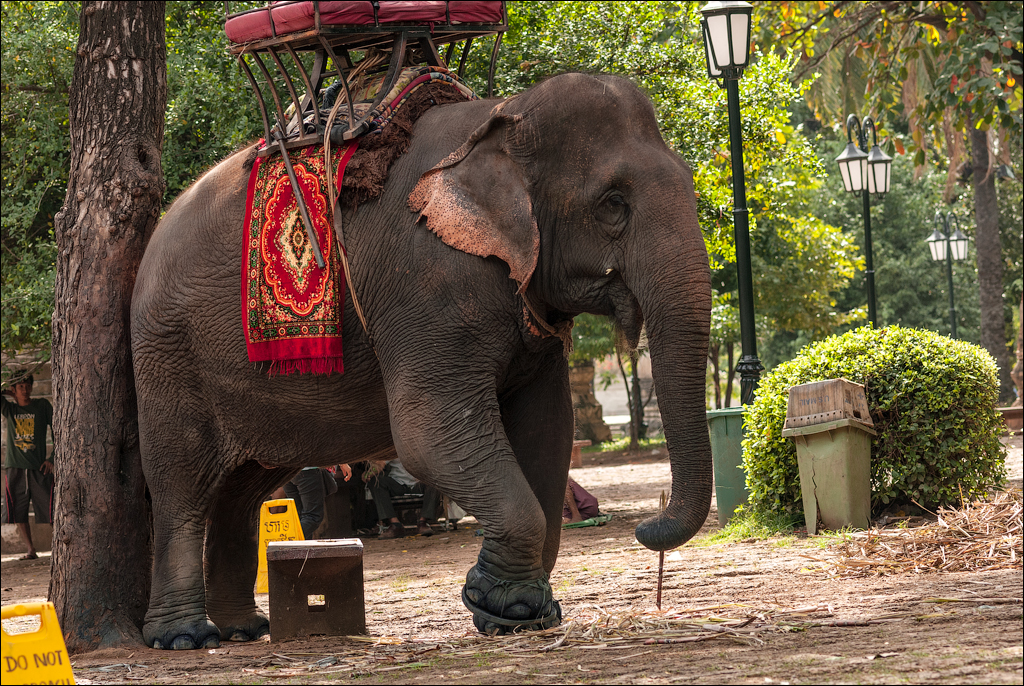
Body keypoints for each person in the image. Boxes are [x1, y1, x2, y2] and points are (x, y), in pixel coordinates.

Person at [1, 374, 55, 560]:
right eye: (20, 387)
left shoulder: (41, 406)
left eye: (27, 386)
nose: (24, 390)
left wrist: (53, 458)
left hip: (39, 467)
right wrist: (7, 391)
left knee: (51, 508)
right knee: (18, 510)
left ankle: (60, 544)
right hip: (15, 467)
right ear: (14, 390)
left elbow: (60, 429)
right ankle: (31, 550)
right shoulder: (10, 409)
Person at [364, 459, 439, 539]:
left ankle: (423, 522)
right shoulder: (392, 448)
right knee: (376, 481)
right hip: (398, 483)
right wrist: (368, 474)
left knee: (437, 480)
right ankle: (395, 525)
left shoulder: (421, 447)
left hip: (419, 483)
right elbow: (380, 464)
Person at [278, 466, 343, 540]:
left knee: (299, 517)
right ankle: (286, 541)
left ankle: (300, 548)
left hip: (286, 472)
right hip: (307, 470)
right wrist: (343, 463)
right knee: (312, 516)